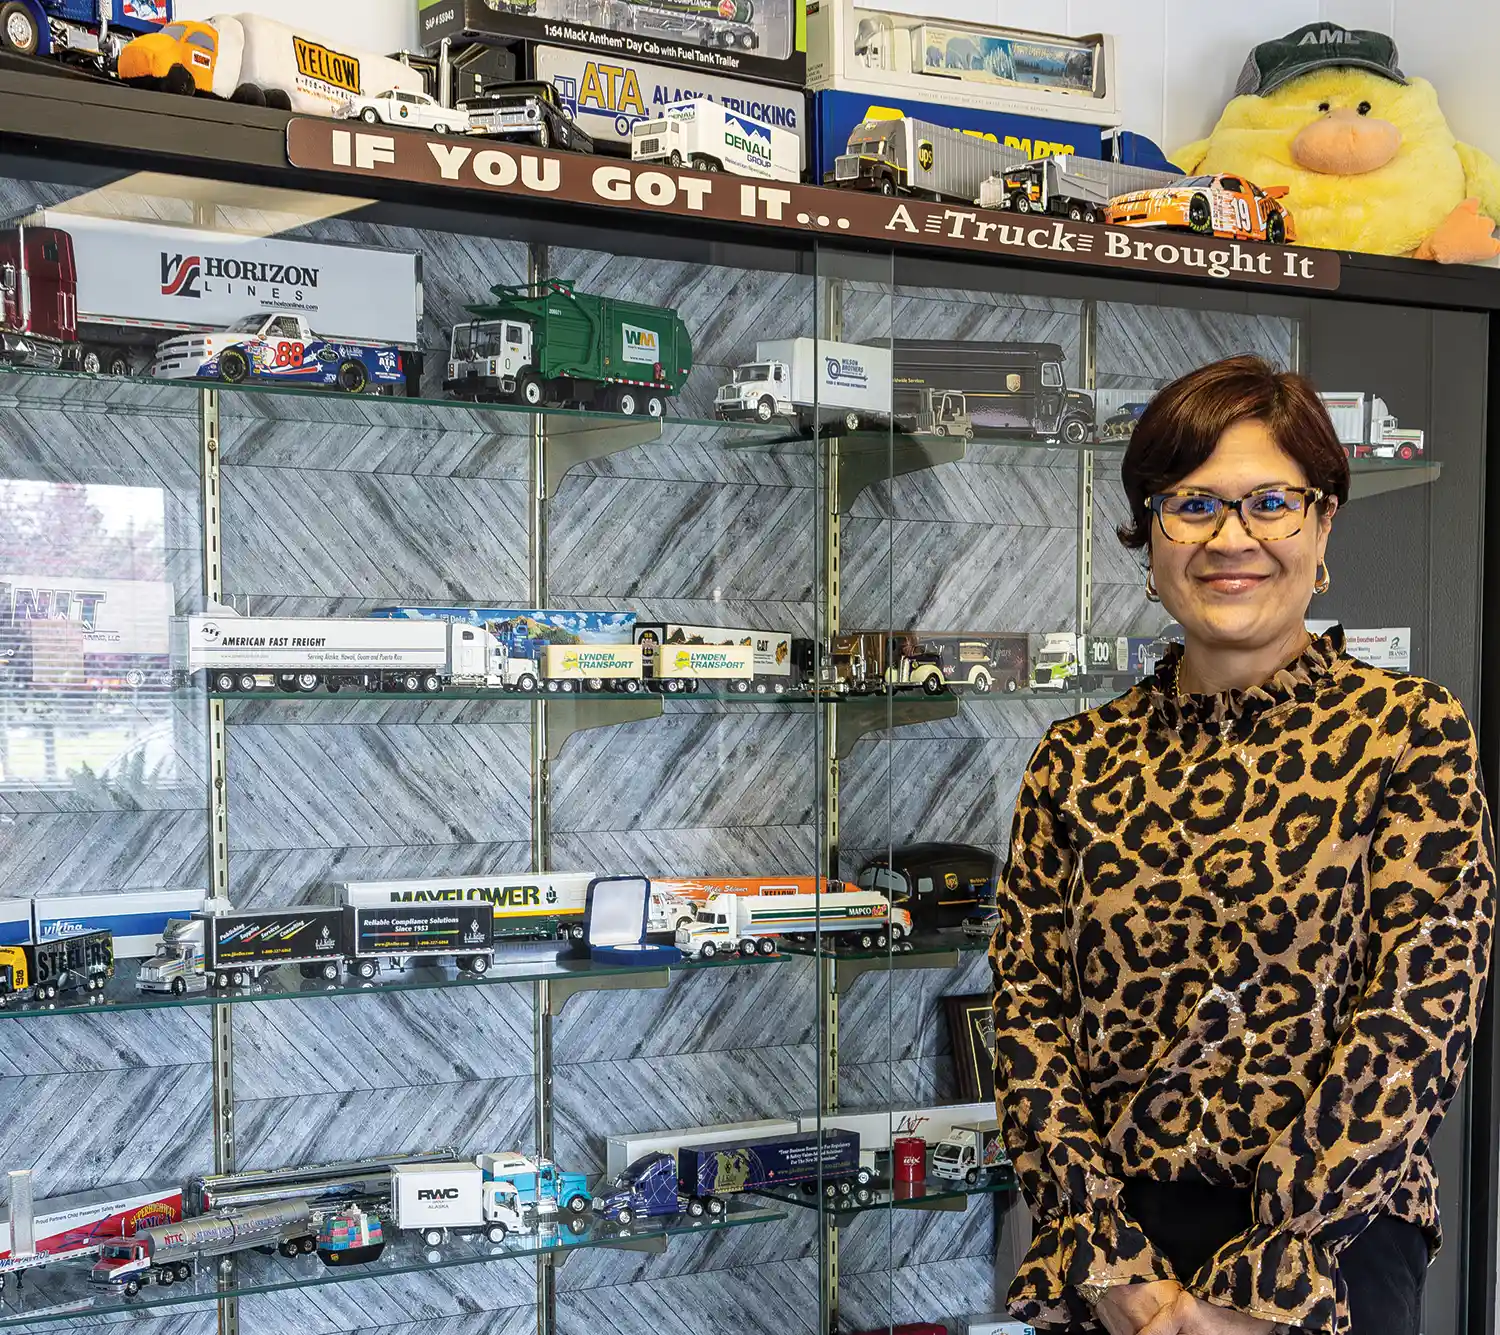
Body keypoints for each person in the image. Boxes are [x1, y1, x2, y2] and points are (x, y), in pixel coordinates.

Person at [989, 355, 1495, 1335]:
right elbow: (1028, 1017)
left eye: (1271, 502)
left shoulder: (1409, 732)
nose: (1233, 539)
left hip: (1335, 1240)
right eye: (1193, 505)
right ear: (1150, 533)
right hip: (1112, 1248)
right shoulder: (1076, 759)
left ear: (1323, 524)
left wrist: (1260, 1282)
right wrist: (1107, 1259)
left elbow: (1420, 1014)